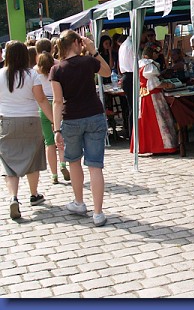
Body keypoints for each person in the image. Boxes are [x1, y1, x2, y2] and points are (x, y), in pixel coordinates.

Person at [49, 30, 111, 227]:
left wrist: (56, 129)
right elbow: (107, 72)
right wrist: (94, 51)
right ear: (77, 43)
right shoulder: (88, 61)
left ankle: (79, 202)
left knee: (74, 162)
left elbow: (57, 101)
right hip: (94, 115)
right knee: (95, 165)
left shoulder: (57, 70)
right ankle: (98, 213)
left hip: (71, 119)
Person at [0, 41, 54, 220]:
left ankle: (13, 197)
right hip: (31, 120)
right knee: (33, 158)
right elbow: (42, 100)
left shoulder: (1, 74)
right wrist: (54, 121)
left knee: (9, 163)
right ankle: (34, 194)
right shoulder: (32, 75)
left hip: (7, 121)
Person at [131, 43, 178, 155]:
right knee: (158, 120)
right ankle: (162, 146)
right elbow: (155, 84)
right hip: (153, 96)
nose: (157, 55)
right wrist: (168, 85)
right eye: (156, 53)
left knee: (147, 120)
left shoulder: (140, 64)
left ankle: (149, 146)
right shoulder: (149, 66)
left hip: (144, 96)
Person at [35, 38, 70, 185]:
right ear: (52, 49)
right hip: (58, 103)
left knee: (49, 143)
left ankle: (54, 175)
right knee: (61, 137)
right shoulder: (58, 65)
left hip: (42, 106)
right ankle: (63, 164)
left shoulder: (34, 69)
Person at [118, 33, 135, 137]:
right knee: (133, 107)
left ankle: (132, 133)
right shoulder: (130, 45)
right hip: (130, 76)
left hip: (127, 76)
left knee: (132, 108)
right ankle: (133, 134)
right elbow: (134, 65)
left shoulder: (124, 45)